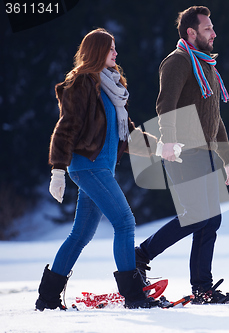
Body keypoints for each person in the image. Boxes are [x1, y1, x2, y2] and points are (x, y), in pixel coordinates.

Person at [36, 28, 160, 310]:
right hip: (88, 168)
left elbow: (128, 135)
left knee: (80, 235)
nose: (116, 54)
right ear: (96, 52)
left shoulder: (111, 88)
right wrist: (57, 170)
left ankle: (47, 298)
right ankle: (135, 296)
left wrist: (163, 148)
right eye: (111, 49)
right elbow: (65, 127)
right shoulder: (82, 84)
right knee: (125, 223)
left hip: (100, 169)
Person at [134, 6, 229, 304]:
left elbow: (215, 118)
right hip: (182, 152)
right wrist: (167, 141)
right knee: (196, 216)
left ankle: (203, 288)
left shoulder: (206, 65)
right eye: (208, 29)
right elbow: (165, 105)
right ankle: (140, 255)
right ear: (191, 33)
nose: (214, 33)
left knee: (211, 221)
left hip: (205, 153)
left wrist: (228, 159)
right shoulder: (178, 62)